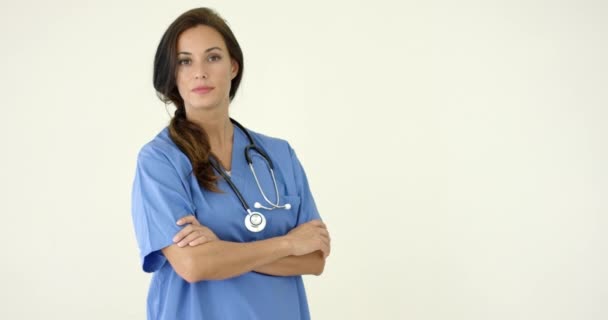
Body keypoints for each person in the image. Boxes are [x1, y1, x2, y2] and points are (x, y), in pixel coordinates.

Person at [130, 7, 331, 320]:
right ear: (173, 74)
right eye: (185, 61)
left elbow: (315, 258)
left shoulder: (279, 155)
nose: (200, 72)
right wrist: (288, 243)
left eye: (213, 57)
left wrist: (221, 250)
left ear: (233, 66)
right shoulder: (160, 161)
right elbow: (194, 265)